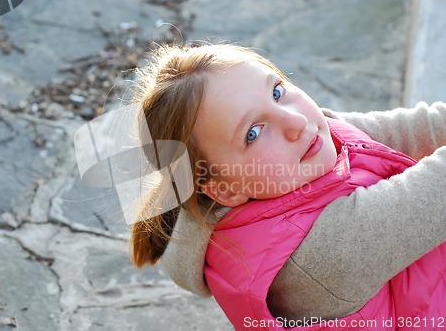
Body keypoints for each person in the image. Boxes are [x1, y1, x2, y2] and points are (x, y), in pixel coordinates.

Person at [128, 43, 446, 330]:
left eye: (277, 91)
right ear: (222, 190)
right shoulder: (318, 254)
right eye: (253, 133)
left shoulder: (300, 146)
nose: (295, 122)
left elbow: (420, 128)